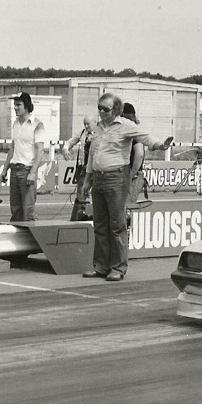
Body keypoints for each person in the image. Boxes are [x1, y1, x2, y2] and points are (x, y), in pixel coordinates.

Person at [83, 93, 173, 282]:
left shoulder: (126, 126)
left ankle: (118, 267)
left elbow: (145, 137)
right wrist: (87, 180)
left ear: (115, 111)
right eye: (99, 108)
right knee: (99, 224)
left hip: (116, 178)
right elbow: (92, 155)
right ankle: (100, 266)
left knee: (117, 225)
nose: (101, 112)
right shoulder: (97, 128)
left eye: (105, 109)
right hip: (98, 178)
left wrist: (160, 145)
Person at [0, 92, 46, 221]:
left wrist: (32, 172)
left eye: (18, 104)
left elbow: (40, 150)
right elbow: (13, 148)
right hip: (15, 170)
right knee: (15, 209)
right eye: (14, 104)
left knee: (28, 210)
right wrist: (5, 169)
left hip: (27, 170)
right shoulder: (15, 124)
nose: (15, 107)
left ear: (26, 105)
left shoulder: (37, 124)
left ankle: (31, 239)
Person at [63, 115, 94, 221]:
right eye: (84, 124)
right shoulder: (82, 133)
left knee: (97, 195)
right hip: (83, 170)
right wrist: (66, 149)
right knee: (81, 195)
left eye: (88, 124)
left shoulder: (100, 133)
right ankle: (78, 218)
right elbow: (70, 141)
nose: (86, 126)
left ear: (94, 122)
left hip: (96, 170)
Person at [121, 102, 149, 213]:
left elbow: (139, 154)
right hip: (133, 174)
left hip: (133, 176)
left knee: (126, 209)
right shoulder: (133, 130)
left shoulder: (132, 131)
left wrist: (131, 174)